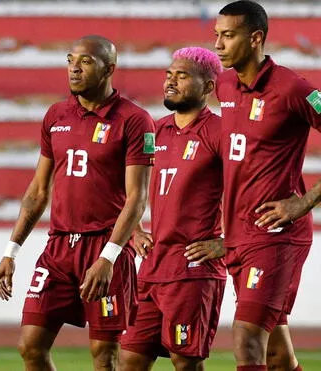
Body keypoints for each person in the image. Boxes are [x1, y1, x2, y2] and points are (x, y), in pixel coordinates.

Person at [0, 35, 154, 371]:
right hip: (58, 248)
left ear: (109, 68)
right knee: (30, 347)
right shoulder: (55, 115)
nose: (74, 68)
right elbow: (38, 190)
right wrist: (11, 251)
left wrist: (109, 258)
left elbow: (137, 199)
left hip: (105, 246)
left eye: (86, 61)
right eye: (70, 59)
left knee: (104, 356)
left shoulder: (135, 120)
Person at [215, 1, 321, 370]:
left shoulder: (293, 87)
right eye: (217, 35)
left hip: (277, 235)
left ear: (256, 37)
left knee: (246, 342)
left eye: (228, 36)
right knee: (277, 356)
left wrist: (303, 203)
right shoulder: (224, 84)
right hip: (238, 235)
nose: (218, 44)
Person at [118, 47, 226, 371]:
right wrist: (135, 232)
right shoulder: (154, 130)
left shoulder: (222, 132)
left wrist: (228, 242)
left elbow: (251, 193)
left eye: (182, 76)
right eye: (169, 74)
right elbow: (126, 185)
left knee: (185, 362)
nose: (171, 81)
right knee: (129, 360)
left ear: (208, 87)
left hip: (193, 270)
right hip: (151, 266)